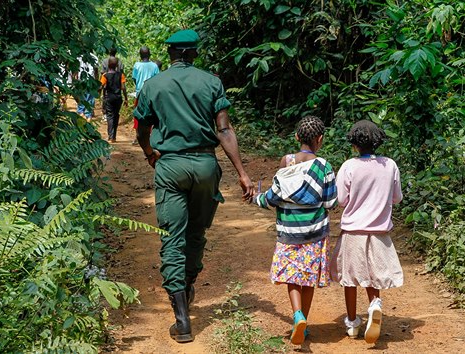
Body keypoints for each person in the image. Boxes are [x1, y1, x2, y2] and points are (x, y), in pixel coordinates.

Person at [133, 29, 254, 343]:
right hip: (204, 165)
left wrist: (149, 153)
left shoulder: (151, 85)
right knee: (196, 232)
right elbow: (224, 130)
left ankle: (182, 318)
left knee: (173, 236)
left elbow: (142, 128)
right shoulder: (211, 82)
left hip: (170, 166)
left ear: (171, 54)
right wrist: (241, 172)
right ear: (193, 53)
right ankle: (187, 286)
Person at [252, 115, 337, 345]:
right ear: (320, 139)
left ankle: (297, 314)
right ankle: (304, 322)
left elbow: (274, 197)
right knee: (308, 278)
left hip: (289, 232)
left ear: (297, 136)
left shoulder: (286, 161)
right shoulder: (324, 167)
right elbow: (330, 202)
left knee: (293, 276)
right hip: (314, 234)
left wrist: (255, 198)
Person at [329, 120, 404, 344]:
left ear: (354, 144)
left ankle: (352, 323)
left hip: (353, 231)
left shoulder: (348, 166)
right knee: (374, 275)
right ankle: (375, 305)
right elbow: (397, 198)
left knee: (350, 279)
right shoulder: (389, 165)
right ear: (378, 141)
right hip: (380, 233)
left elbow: (341, 200)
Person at [132, 46, 159, 145]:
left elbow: (134, 78)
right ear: (149, 54)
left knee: (138, 115)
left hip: (139, 93)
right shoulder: (154, 66)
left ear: (140, 55)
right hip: (151, 93)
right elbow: (157, 80)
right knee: (152, 114)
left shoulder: (137, 65)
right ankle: (150, 136)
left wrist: (139, 86)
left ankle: (138, 136)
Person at [99, 57, 128, 143]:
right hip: (118, 97)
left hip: (109, 98)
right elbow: (123, 87)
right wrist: (126, 98)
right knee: (116, 115)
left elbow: (101, 86)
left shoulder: (105, 75)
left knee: (110, 116)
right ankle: (114, 136)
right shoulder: (121, 75)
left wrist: (99, 93)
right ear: (117, 65)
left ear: (108, 65)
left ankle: (111, 136)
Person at [101, 47, 124, 122]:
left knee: (105, 97)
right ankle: (113, 114)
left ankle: (105, 114)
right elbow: (122, 71)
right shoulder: (119, 61)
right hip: (117, 83)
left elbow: (102, 72)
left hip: (106, 82)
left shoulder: (105, 61)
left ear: (108, 52)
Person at [75, 54, 98, 121]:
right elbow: (96, 71)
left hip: (81, 80)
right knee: (90, 99)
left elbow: (76, 69)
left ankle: (81, 113)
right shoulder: (94, 57)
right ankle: (88, 117)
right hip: (91, 80)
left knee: (82, 97)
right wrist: (96, 81)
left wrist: (75, 79)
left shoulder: (79, 57)